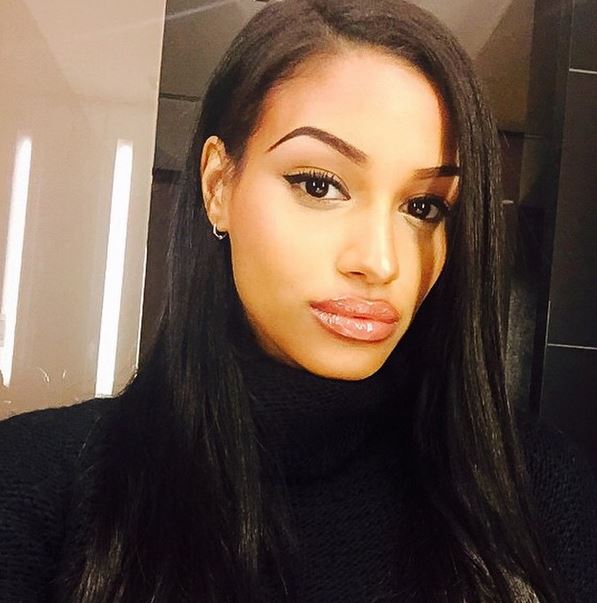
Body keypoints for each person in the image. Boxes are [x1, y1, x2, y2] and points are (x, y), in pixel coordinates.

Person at [1, 0, 596, 601]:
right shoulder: (35, 484)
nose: (381, 262)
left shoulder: (538, 490)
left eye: (423, 207)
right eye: (319, 185)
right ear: (218, 185)